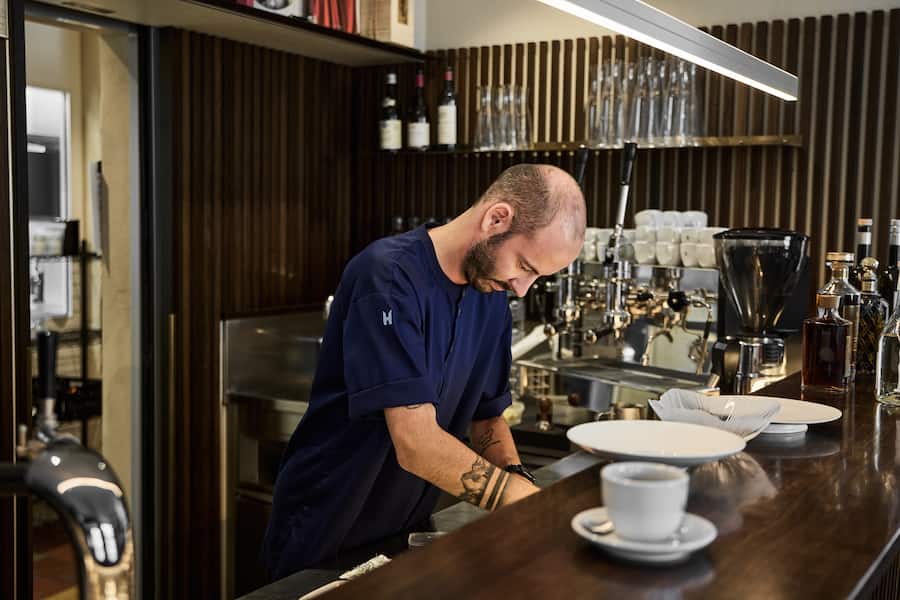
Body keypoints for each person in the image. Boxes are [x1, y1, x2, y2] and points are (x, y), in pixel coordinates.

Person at [262, 163, 586, 579]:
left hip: (403, 527)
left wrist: (518, 481)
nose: (523, 288)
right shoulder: (387, 276)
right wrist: (521, 501)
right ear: (496, 218)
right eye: (525, 266)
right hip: (326, 524)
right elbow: (415, 442)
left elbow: (486, 417)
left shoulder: (490, 294)